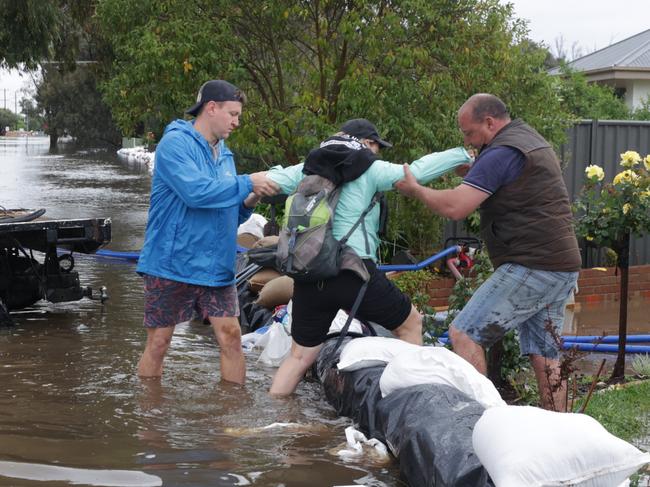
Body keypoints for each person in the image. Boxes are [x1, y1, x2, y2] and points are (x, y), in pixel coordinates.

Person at [395, 94, 581, 411]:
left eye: (469, 133)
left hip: (533, 264)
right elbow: (506, 181)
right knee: (544, 352)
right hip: (560, 263)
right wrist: (475, 170)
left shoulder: (502, 152)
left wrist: (416, 190)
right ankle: (559, 425)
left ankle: (484, 421)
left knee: (465, 333)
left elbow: (456, 207)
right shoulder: (525, 139)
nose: (467, 140)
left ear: (490, 122)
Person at [266, 118, 473, 395]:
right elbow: (415, 173)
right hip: (352, 272)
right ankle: (409, 399)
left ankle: (272, 416)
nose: (378, 152)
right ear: (367, 144)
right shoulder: (370, 168)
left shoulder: (309, 167)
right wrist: (464, 155)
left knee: (299, 356)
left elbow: (267, 181)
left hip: (309, 272)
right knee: (411, 324)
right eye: (377, 145)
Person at [136, 80, 279, 384]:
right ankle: (148, 422)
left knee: (231, 336)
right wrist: (247, 182)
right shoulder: (175, 145)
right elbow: (197, 193)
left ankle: (230, 422)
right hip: (171, 263)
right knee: (159, 343)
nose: (237, 122)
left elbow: (231, 209)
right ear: (211, 108)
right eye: (233, 114)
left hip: (216, 266)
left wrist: (251, 198)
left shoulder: (224, 154)